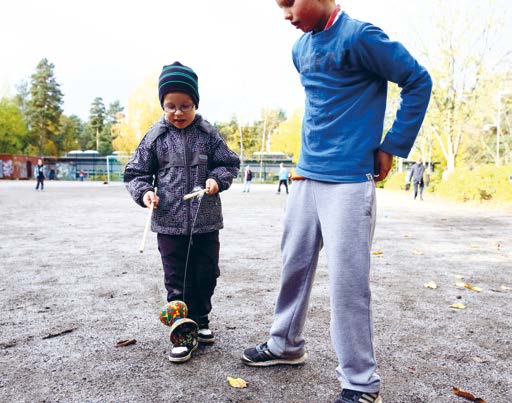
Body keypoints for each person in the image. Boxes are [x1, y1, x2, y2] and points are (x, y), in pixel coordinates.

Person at [242, 2, 432, 403]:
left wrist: (393, 144)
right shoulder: (300, 49)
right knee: (293, 263)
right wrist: (302, 163)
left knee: (348, 283)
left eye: (290, 2)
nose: (286, 14)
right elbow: (321, 108)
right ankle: (285, 344)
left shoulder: (362, 36)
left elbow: (418, 80)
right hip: (307, 176)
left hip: (348, 179)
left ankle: (361, 383)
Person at [124, 61, 240, 363]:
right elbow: (135, 173)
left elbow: (228, 163)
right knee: (177, 279)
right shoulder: (154, 137)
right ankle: (181, 330)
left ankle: (200, 320)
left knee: (206, 274)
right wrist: (144, 192)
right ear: (162, 104)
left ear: (195, 103)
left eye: (185, 105)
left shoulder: (208, 134)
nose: (178, 112)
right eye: (170, 105)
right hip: (169, 223)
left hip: (206, 222)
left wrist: (218, 179)